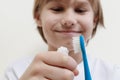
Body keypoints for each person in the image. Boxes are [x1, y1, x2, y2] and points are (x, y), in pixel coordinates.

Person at [3, 0, 120, 80]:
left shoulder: (113, 74)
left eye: (80, 10)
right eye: (57, 9)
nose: (69, 20)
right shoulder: (16, 72)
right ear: (38, 17)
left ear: (94, 20)